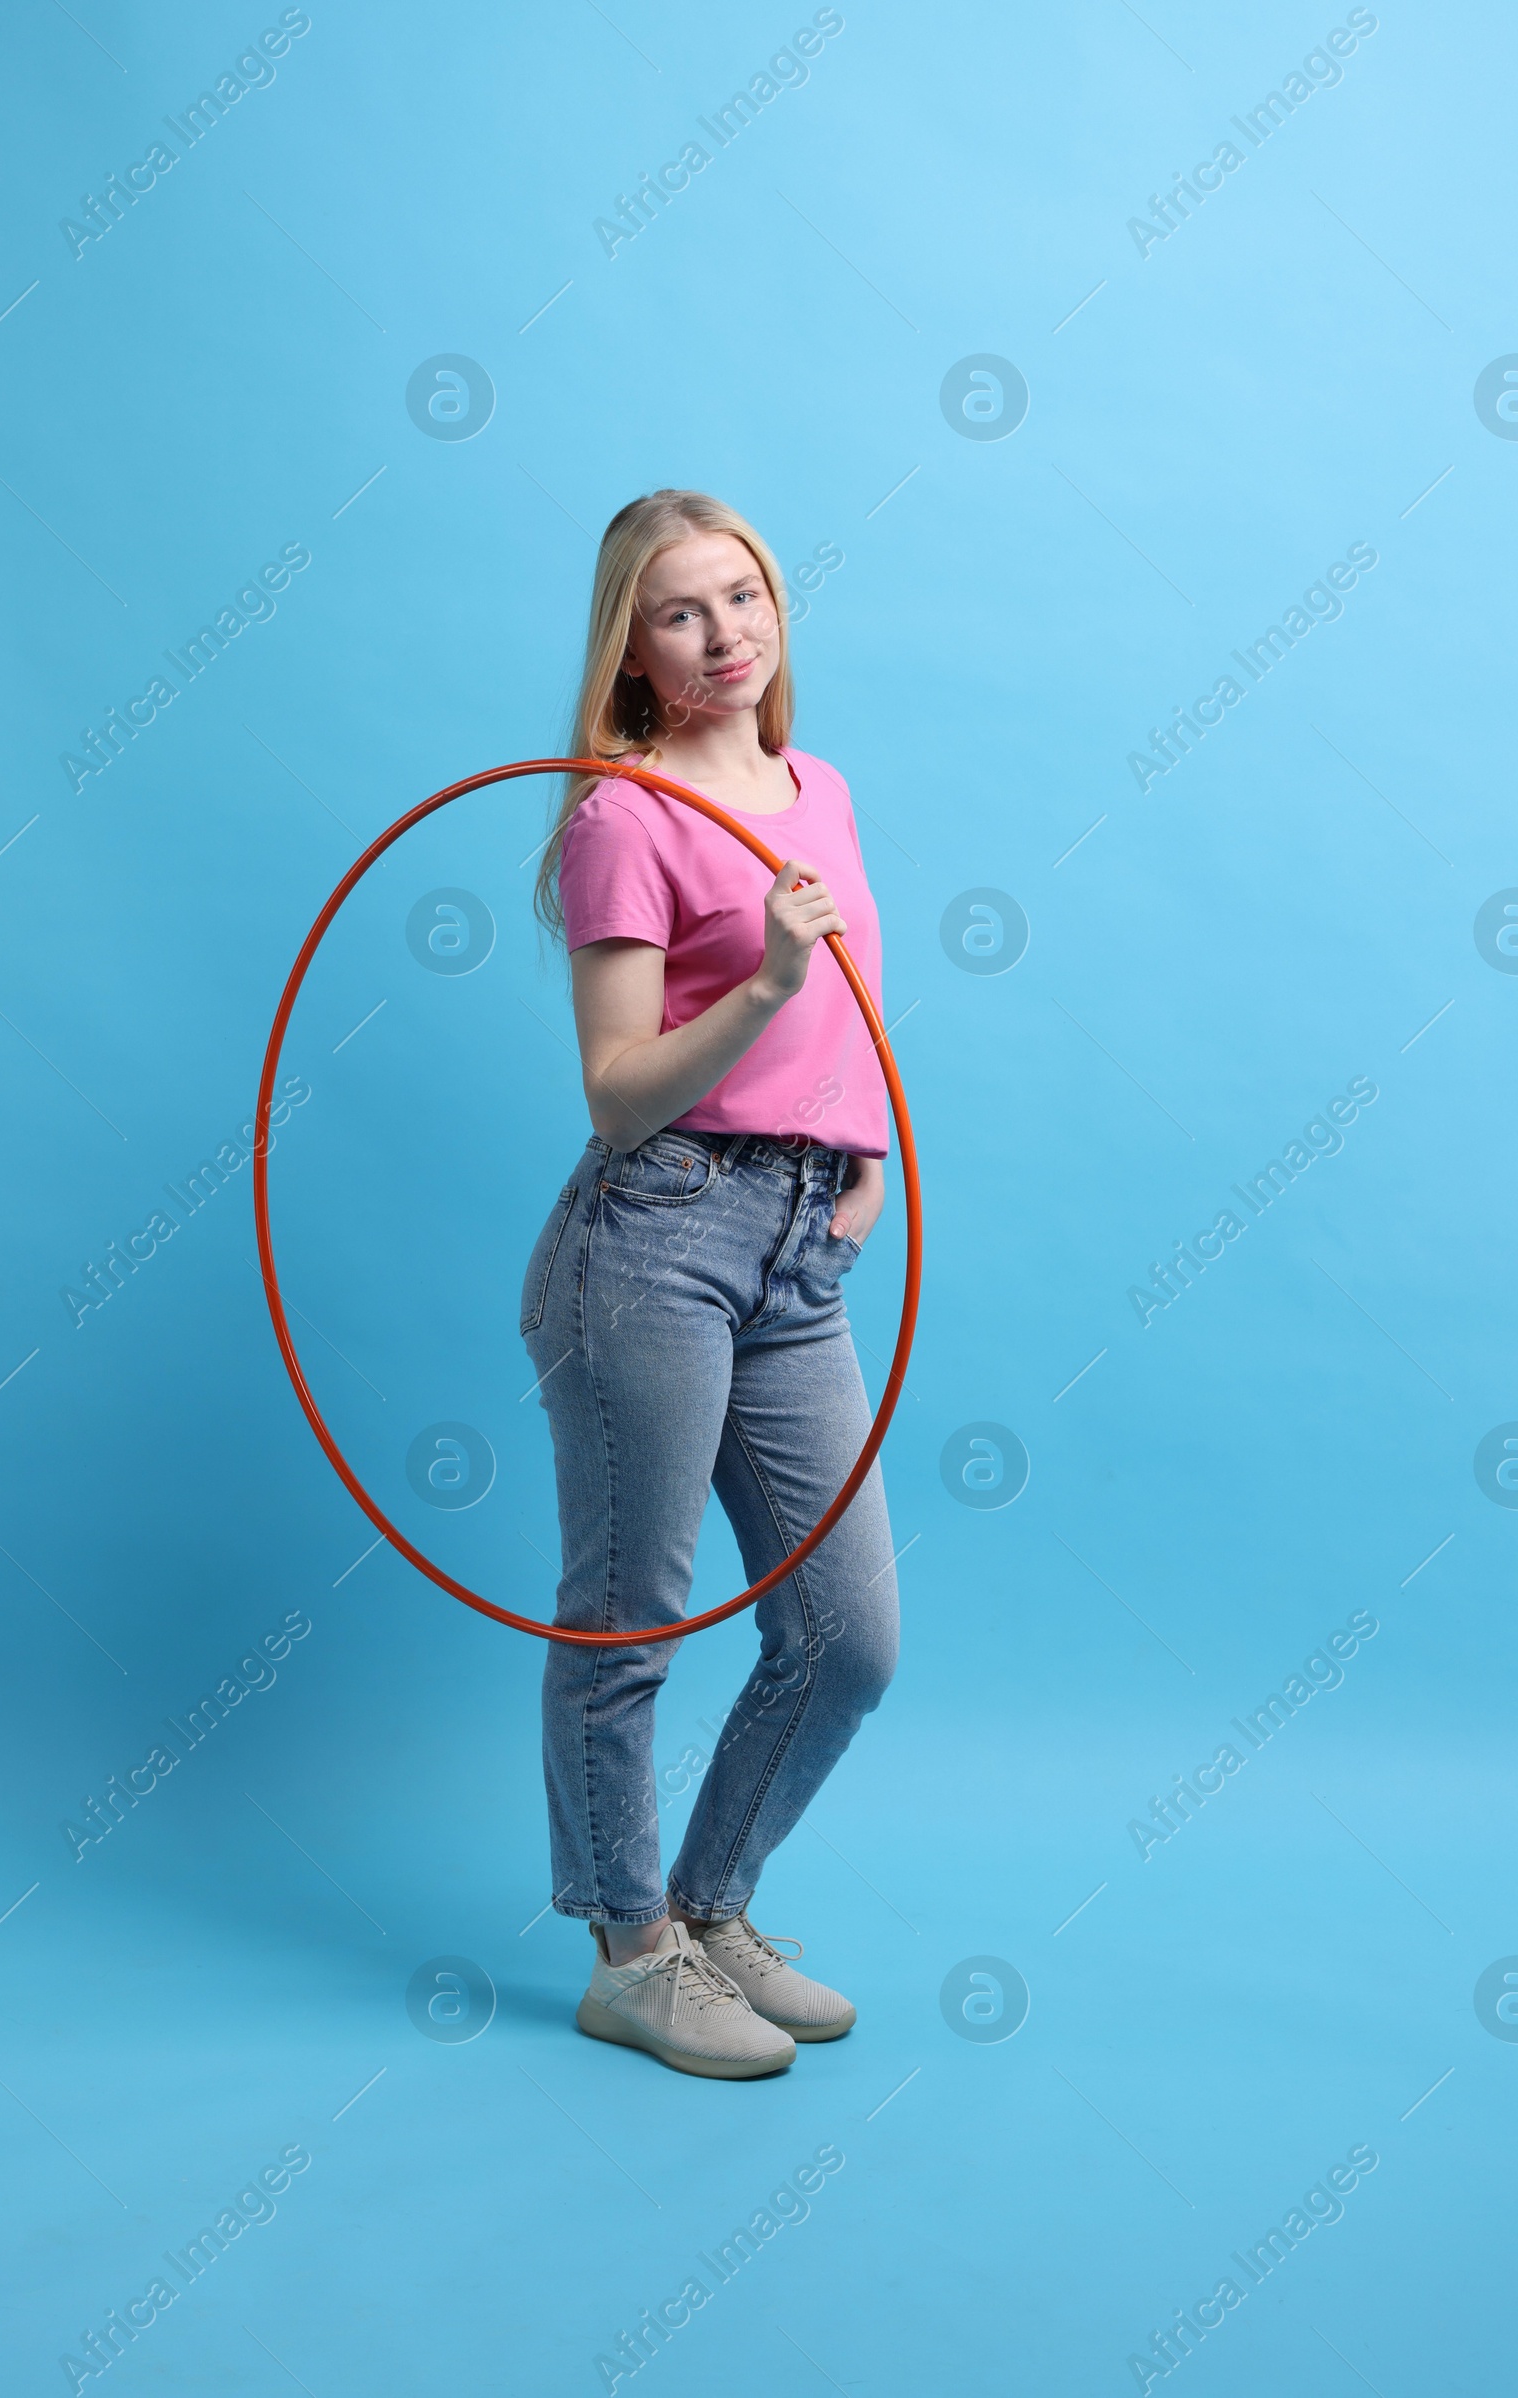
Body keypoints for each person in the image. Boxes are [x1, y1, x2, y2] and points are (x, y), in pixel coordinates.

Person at [524, 489, 899, 2079]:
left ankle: (711, 1904)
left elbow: (858, 1006)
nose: (725, 632)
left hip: (801, 1237)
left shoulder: (820, 788)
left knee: (849, 1636)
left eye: (744, 594)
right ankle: (628, 1950)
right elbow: (616, 1089)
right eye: (681, 611)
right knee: (631, 1621)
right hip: (655, 1238)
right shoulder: (622, 813)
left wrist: (865, 1155)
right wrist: (761, 980)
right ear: (634, 644)